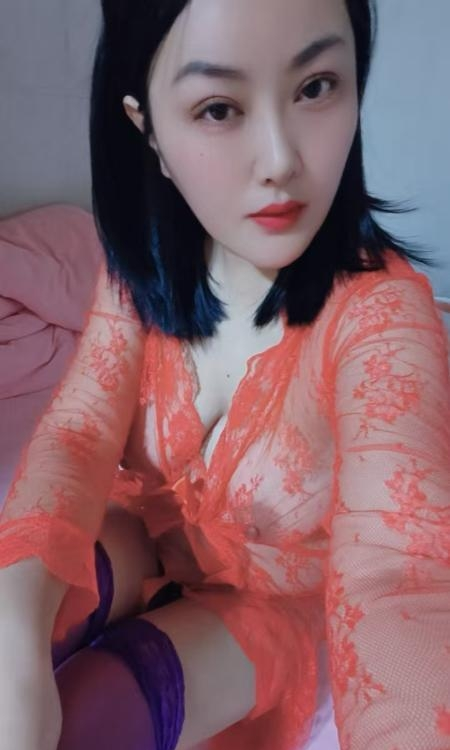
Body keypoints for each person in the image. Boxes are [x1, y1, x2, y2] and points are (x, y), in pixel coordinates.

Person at [1, 0, 449, 748]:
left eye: (315, 87)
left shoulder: (382, 317)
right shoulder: (140, 267)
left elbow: (399, 574)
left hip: (269, 600)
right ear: (148, 129)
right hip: (144, 533)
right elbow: (79, 432)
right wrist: (14, 630)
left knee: (92, 714)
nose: (280, 160)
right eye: (218, 108)